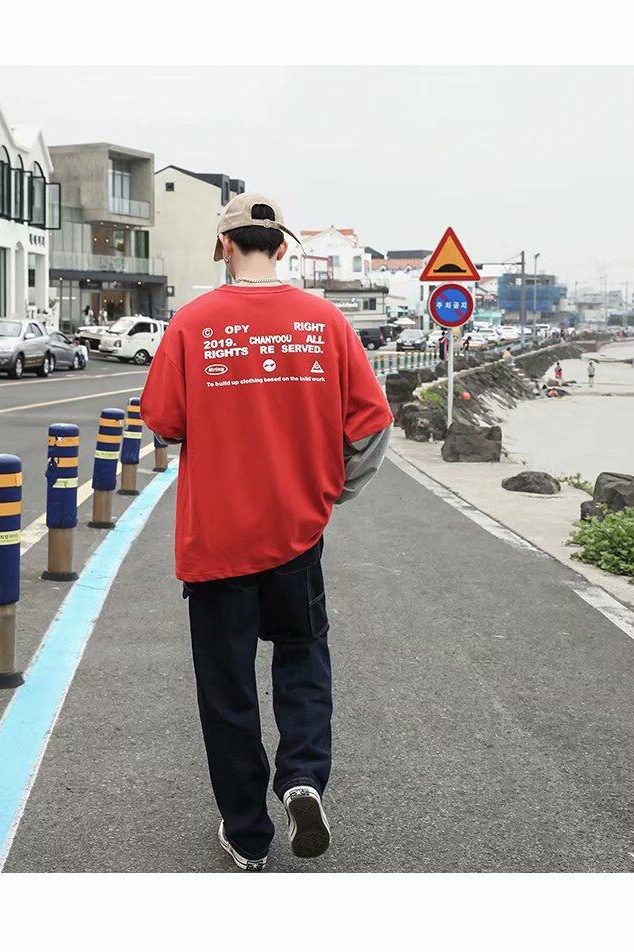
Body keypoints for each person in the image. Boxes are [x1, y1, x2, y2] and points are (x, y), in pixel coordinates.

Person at [140, 193, 393, 872]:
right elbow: (372, 424)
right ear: (282, 247)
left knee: (227, 688)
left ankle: (249, 836)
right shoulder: (326, 322)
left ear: (225, 247)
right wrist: (330, 492)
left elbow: (163, 422)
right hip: (296, 533)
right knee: (302, 656)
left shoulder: (192, 324)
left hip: (216, 539)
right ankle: (303, 777)